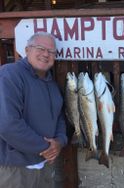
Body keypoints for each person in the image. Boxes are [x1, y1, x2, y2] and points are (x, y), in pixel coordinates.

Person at [0, 32, 68, 188]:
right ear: (26, 50)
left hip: (44, 165)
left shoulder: (51, 84)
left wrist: (59, 142)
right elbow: (7, 124)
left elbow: (59, 118)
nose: (46, 54)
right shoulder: (10, 75)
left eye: (51, 52)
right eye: (40, 48)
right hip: (14, 169)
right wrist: (45, 148)